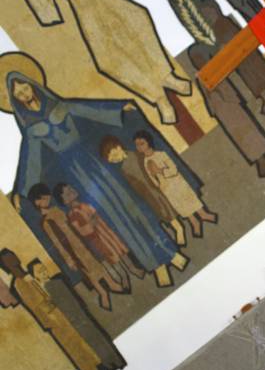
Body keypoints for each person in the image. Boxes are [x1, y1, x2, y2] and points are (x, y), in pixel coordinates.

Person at [5, 67, 187, 288]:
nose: (24, 94)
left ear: (32, 85)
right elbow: (30, 161)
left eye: (24, 87)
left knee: (131, 205)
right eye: (19, 94)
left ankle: (169, 253)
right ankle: (156, 265)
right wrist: (21, 193)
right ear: (16, 101)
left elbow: (89, 110)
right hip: (77, 175)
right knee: (114, 218)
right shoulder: (33, 130)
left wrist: (119, 109)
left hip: (94, 161)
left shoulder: (61, 106)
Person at [0, 249, 107, 370]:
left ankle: (98, 365)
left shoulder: (29, 273)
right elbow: (35, 306)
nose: (14, 260)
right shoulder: (18, 284)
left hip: (61, 312)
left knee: (82, 340)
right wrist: (50, 312)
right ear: (6, 266)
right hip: (53, 319)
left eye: (13, 256)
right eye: (9, 260)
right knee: (74, 347)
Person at [28, 183, 123, 310]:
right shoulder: (46, 222)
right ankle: (102, 292)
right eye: (43, 199)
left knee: (96, 263)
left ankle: (111, 283)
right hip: (71, 249)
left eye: (47, 197)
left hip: (80, 242)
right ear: (37, 202)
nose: (47, 200)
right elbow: (56, 242)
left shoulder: (57, 210)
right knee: (87, 271)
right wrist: (68, 259)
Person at [54, 183, 144, 290]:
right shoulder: (73, 214)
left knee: (120, 249)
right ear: (64, 201)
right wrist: (92, 221)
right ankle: (124, 278)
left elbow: (96, 215)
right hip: (98, 239)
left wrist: (95, 219)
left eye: (71, 189)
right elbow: (83, 231)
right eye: (67, 193)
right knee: (112, 256)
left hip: (106, 232)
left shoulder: (84, 205)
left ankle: (133, 269)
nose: (72, 192)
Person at [133, 130, 217, 238]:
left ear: (148, 142)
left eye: (142, 143)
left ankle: (203, 214)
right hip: (167, 188)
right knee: (180, 205)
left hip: (177, 182)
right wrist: (158, 183)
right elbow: (152, 177)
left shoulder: (161, 154)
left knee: (189, 199)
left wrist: (160, 171)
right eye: (137, 145)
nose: (139, 147)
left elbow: (173, 169)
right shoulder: (145, 162)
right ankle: (194, 222)